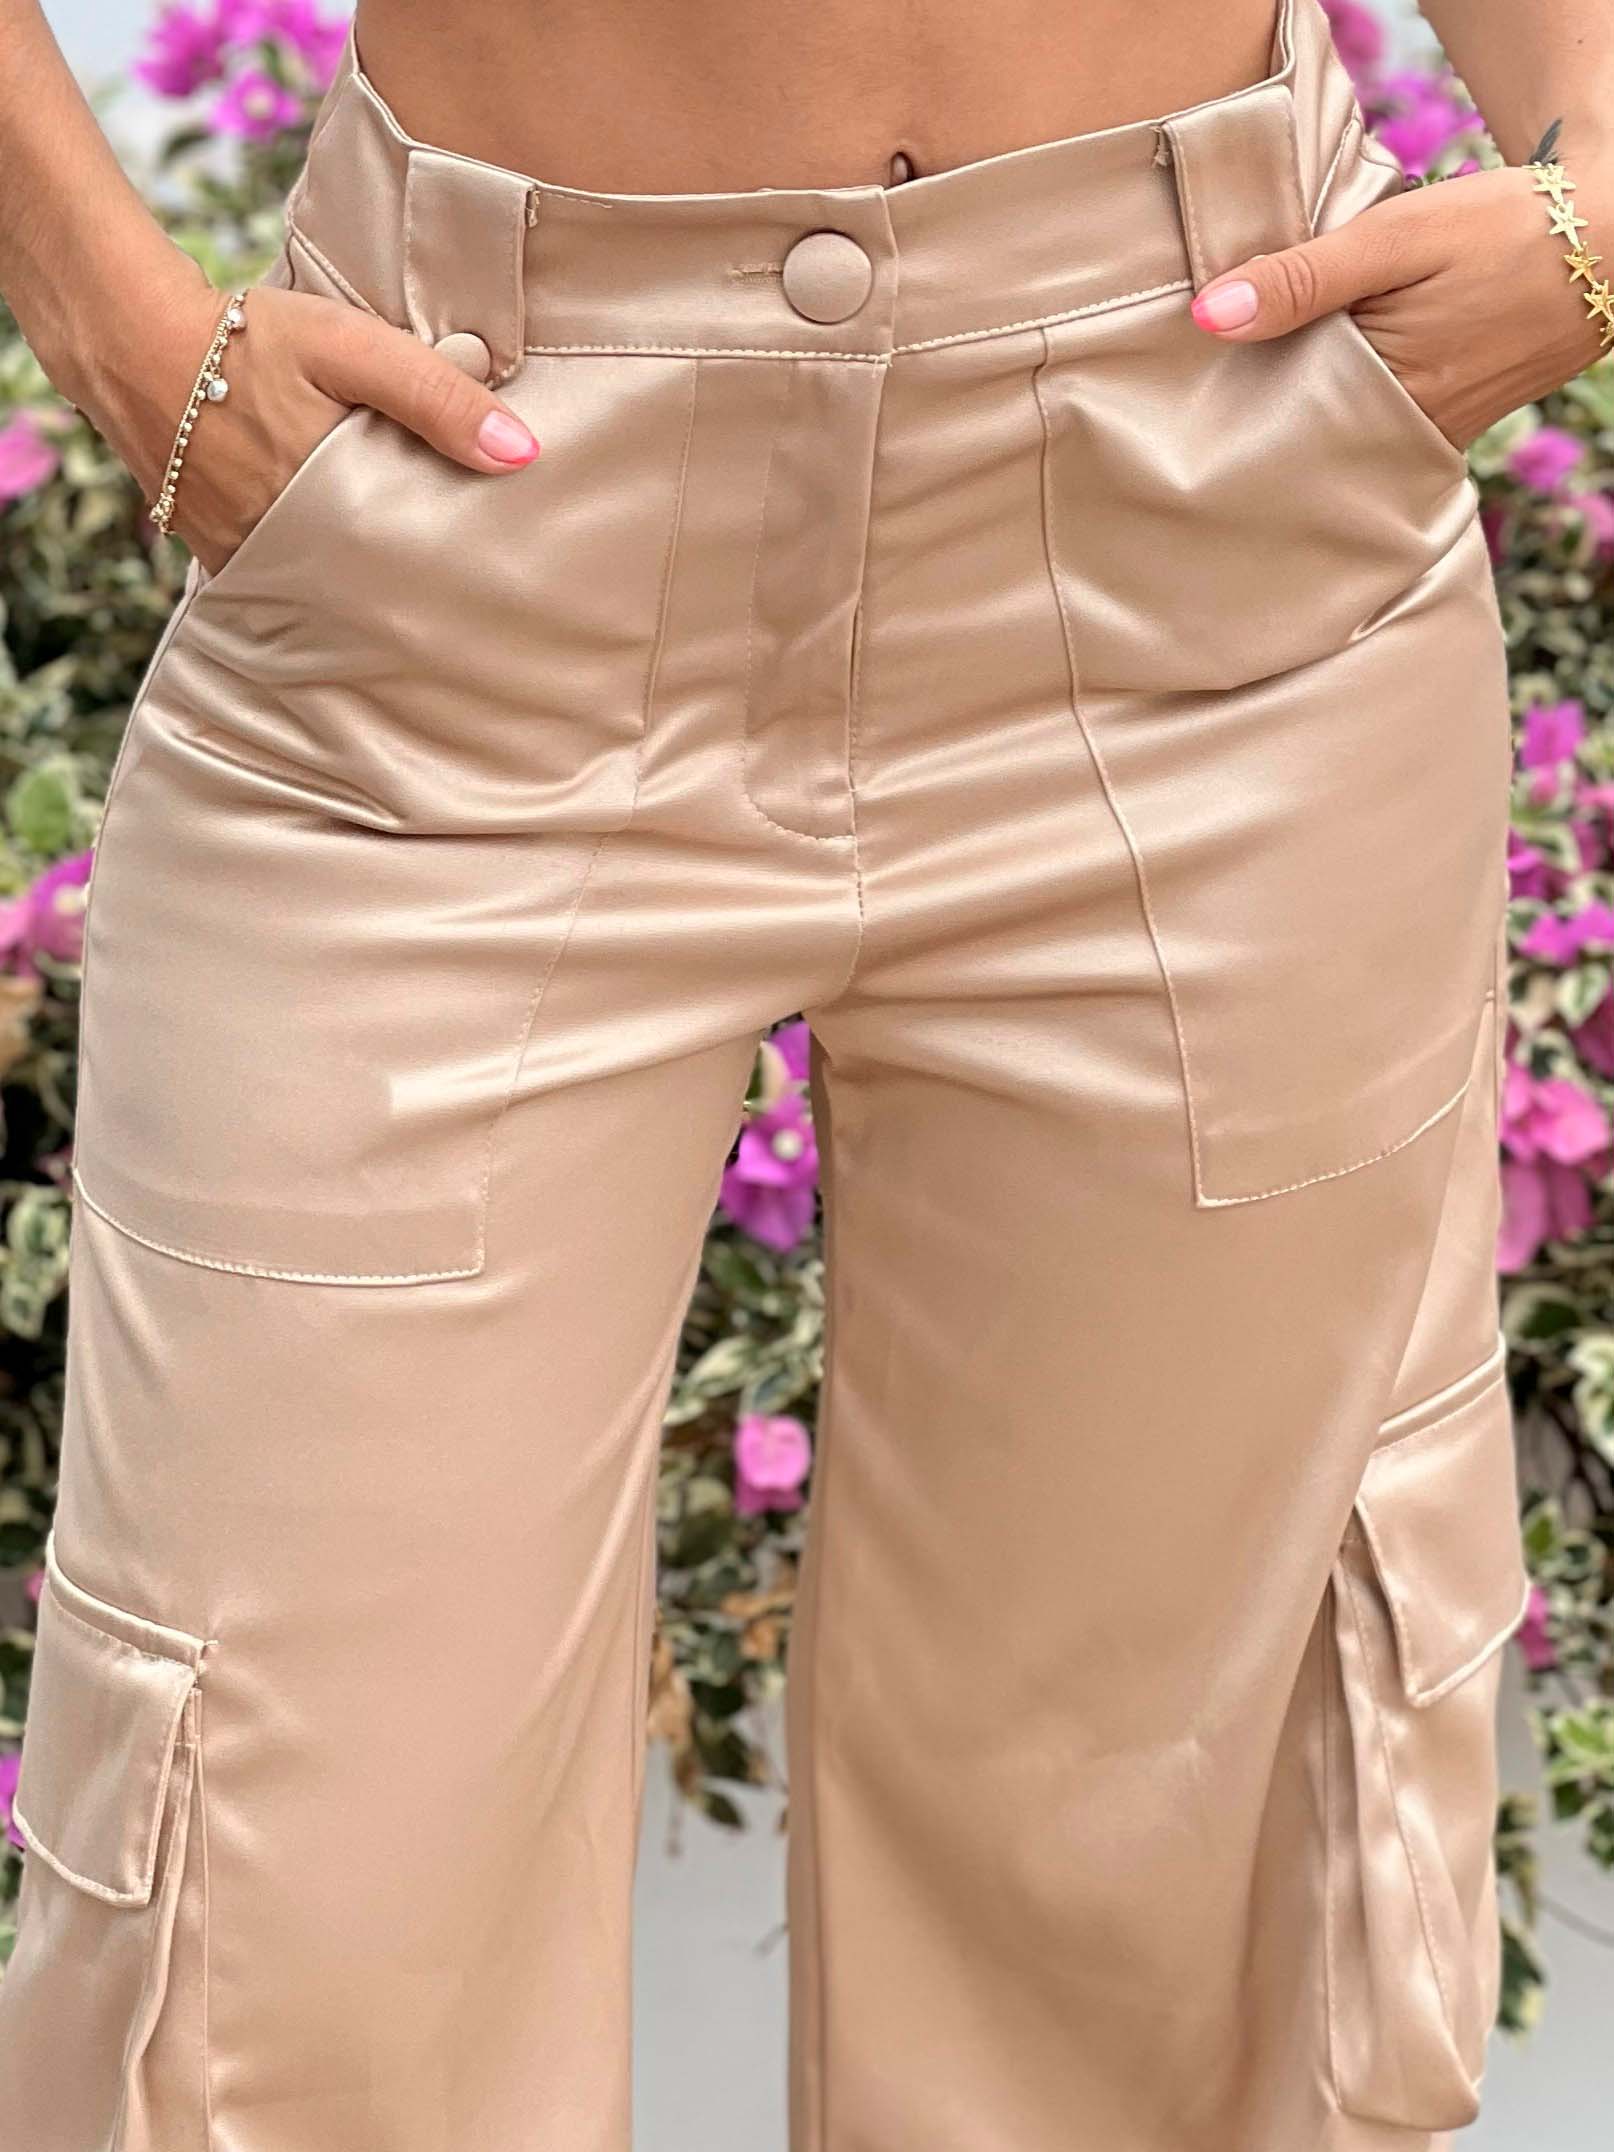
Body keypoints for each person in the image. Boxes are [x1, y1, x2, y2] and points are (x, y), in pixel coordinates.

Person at [0, 0, 1603, 2144]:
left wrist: (1598, 173)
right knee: (280, 1922)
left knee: (1156, 1888)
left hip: (1221, 523)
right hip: (458, 526)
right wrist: (113, 320)